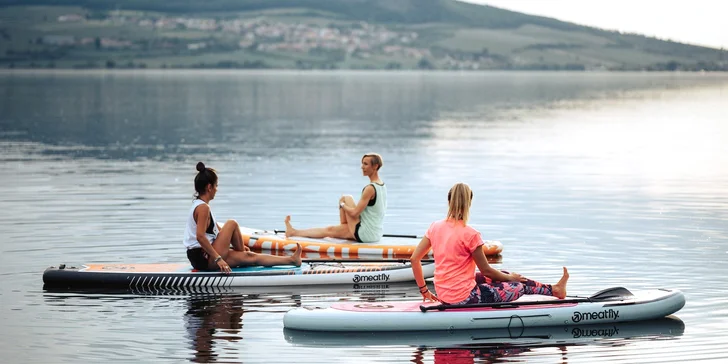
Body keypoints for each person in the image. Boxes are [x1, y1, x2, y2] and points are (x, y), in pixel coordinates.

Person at [410, 182, 569, 305]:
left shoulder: (434, 227)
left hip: (444, 293)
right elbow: (486, 271)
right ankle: (554, 290)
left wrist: (424, 290)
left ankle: (554, 289)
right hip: (464, 298)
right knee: (517, 285)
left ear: (449, 200)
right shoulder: (470, 234)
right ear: (469, 203)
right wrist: (511, 279)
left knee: (505, 274)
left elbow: (414, 259)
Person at [184, 162, 302, 273]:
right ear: (209, 187)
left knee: (250, 257)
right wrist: (218, 259)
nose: (217, 189)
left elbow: (215, 231)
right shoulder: (203, 208)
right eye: (216, 186)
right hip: (203, 258)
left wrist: (240, 247)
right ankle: (241, 254)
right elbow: (200, 236)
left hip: (203, 257)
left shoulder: (200, 205)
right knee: (232, 223)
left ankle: (292, 260)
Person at [284, 153, 387, 243]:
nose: (362, 167)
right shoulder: (381, 185)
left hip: (365, 234)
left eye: (365, 164)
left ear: (375, 166)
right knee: (330, 230)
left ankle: (344, 226)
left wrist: (342, 205)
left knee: (345, 198)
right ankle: (293, 232)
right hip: (376, 234)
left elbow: (355, 213)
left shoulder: (370, 188)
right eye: (362, 163)